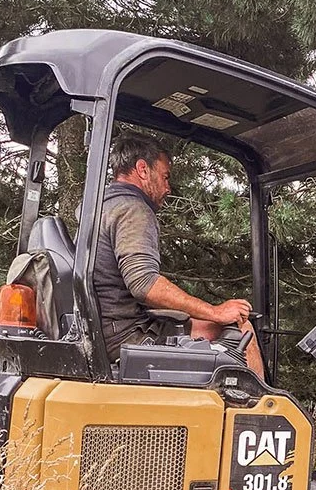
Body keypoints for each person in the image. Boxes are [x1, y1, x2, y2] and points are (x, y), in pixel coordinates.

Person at [93, 131, 264, 376]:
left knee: (198, 323)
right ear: (143, 169)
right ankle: (259, 407)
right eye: (164, 177)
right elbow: (144, 284)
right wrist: (216, 311)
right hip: (126, 336)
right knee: (240, 326)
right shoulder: (133, 209)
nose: (168, 187)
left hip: (109, 328)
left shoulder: (103, 206)